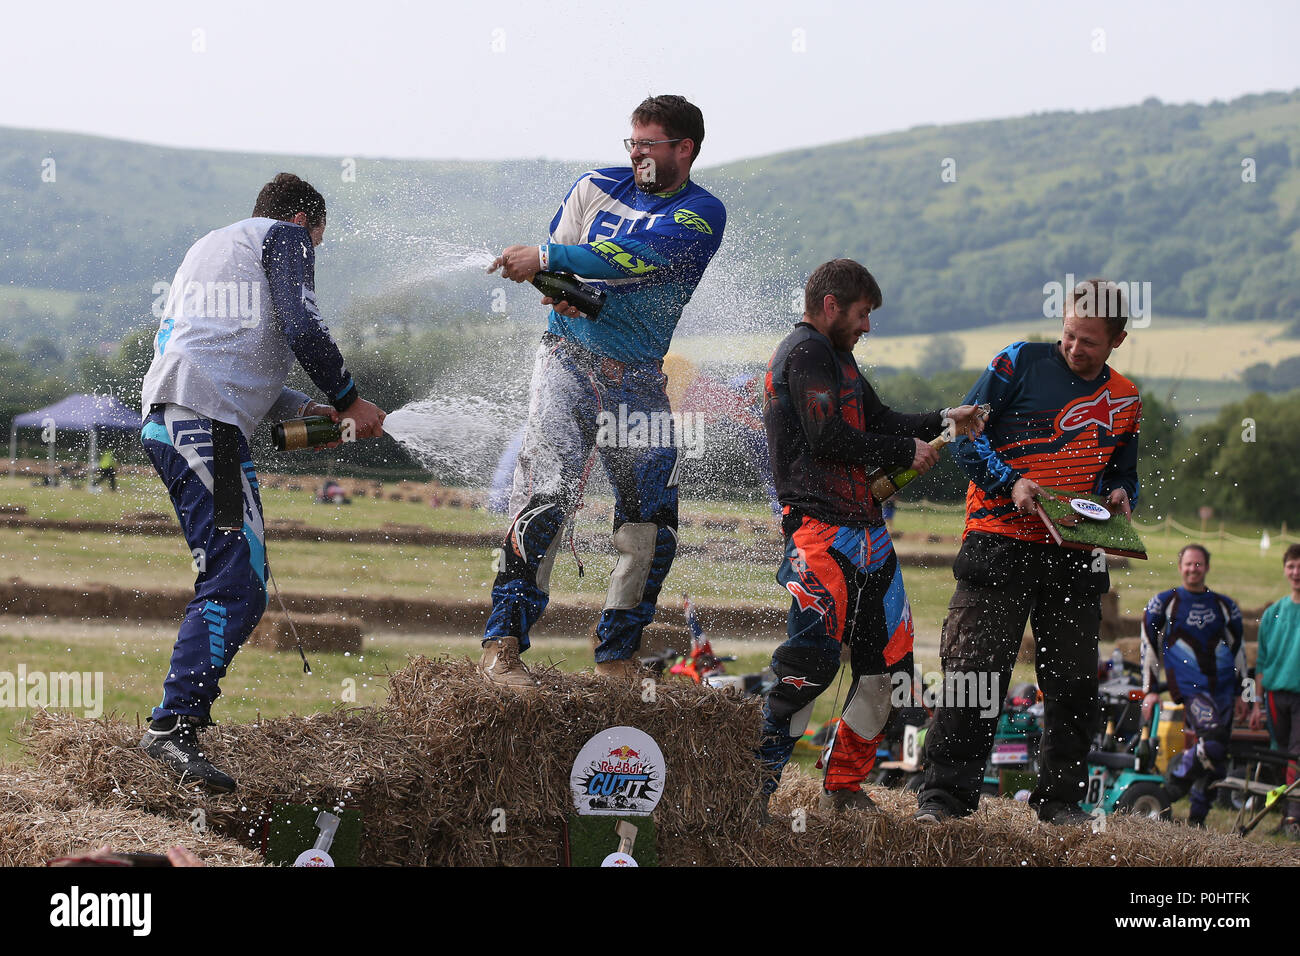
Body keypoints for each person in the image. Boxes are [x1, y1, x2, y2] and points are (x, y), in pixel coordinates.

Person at [137, 173, 387, 791]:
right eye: (317, 245)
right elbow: (303, 328)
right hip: (204, 425)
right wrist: (350, 400)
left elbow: (231, 352)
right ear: (307, 222)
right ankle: (172, 731)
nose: (311, 260)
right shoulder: (285, 236)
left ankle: (180, 724)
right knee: (236, 580)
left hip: (190, 418)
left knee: (239, 577)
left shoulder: (216, 247)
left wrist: (306, 408)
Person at [480, 95, 726, 689]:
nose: (637, 152)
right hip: (565, 360)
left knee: (652, 520)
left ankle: (616, 653)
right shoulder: (593, 186)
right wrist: (558, 284)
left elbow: (634, 257)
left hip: (638, 380)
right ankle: (502, 645)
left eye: (650, 143)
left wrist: (548, 258)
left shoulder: (702, 213)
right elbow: (561, 269)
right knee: (545, 493)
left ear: (684, 149)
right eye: (632, 141)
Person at [755, 258, 985, 813]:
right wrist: (904, 452)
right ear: (831, 305)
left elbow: (880, 419)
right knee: (809, 666)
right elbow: (826, 435)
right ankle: (752, 787)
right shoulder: (805, 352)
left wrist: (946, 420)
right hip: (820, 534)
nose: (866, 326)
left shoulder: (840, 358)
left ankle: (844, 786)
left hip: (868, 534)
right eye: (862, 314)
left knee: (888, 669)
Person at [916, 278, 1141, 826]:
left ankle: (1060, 802)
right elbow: (963, 433)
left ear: (1117, 339)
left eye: (1088, 341)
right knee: (976, 672)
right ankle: (943, 799)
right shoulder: (1018, 363)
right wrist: (1008, 482)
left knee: (1074, 683)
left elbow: (1123, 472)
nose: (1073, 347)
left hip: (1074, 551)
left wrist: (1120, 495)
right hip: (999, 539)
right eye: (1068, 334)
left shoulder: (1127, 398)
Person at [1140, 544, 1246, 826]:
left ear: (1207, 567)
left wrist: (1245, 694)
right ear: (1180, 567)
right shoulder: (1164, 602)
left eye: (1198, 564)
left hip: (1224, 689)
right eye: (1188, 564)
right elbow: (1149, 646)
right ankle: (1170, 789)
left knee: (1218, 758)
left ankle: (1196, 821)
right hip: (1191, 690)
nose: (1193, 569)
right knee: (1212, 745)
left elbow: (1240, 652)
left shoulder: (1225, 606)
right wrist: (1150, 690)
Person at [1250, 543, 1300, 837]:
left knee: (1297, 755)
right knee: (1280, 755)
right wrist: (1256, 702)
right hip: (1274, 695)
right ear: (1285, 570)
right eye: (1292, 566)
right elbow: (1262, 663)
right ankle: (1285, 813)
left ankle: (1294, 819)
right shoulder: (1274, 613)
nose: (1297, 572)